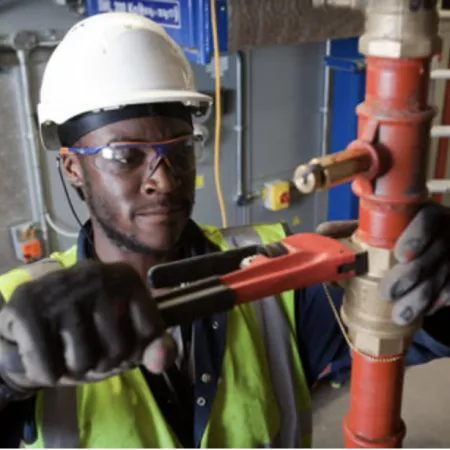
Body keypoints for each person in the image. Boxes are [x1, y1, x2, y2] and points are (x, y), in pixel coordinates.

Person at [0, 11, 450, 448]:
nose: (164, 178)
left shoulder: (277, 268)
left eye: (178, 150)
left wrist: (435, 275)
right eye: (126, 156)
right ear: (73, 168)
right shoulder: (18, 310)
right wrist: (7, 379)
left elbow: (403, 323)